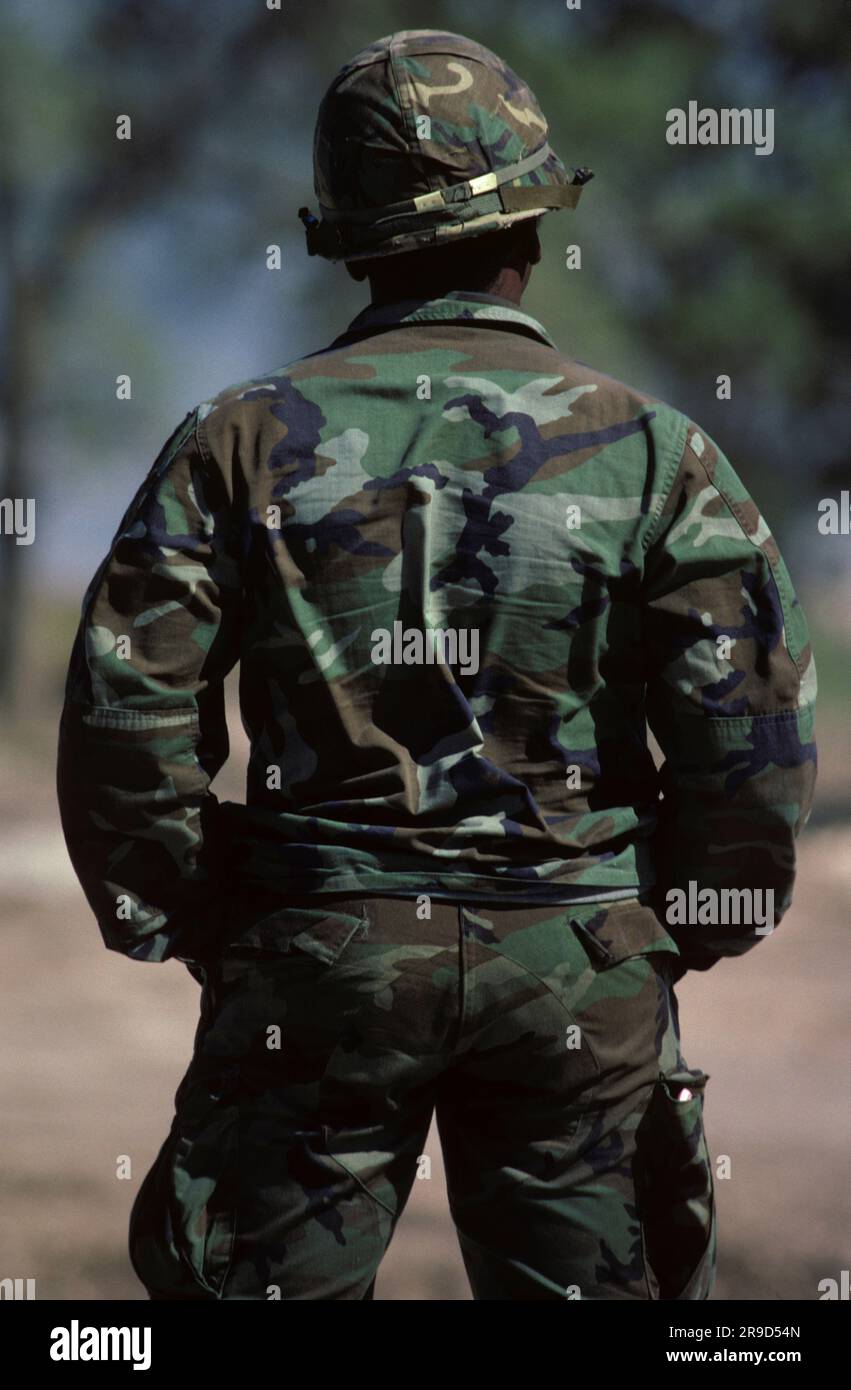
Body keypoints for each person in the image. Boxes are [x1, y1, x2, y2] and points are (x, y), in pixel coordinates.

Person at [56, 29, 817, 1301]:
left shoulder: (233, 443)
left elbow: (126, 717)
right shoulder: (655, 451)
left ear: (348, 238)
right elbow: (748, 744)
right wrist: (660, 929)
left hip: (318, 959)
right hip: (577, 962)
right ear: (532, 225)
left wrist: (209, 924)